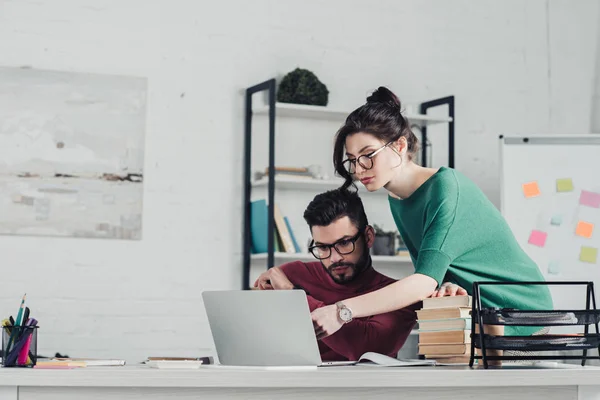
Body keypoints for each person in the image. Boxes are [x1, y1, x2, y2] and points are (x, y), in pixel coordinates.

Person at [311, 87, 553, 350]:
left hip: (524, 318)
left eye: (368, 156)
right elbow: (437, 274)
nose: (359, 170)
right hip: (479, 318)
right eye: (352, 161)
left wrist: (340, 311)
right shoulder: (398, 199)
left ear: (400, 146)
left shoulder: (445, 189)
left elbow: (422, 282)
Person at [253, 188, 466, 362]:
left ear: (368, 237)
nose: (334, 258)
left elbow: (366, 348)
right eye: (322, 248)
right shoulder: (292, 274)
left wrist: (293, 296)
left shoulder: (400, 296)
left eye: (344, 243)